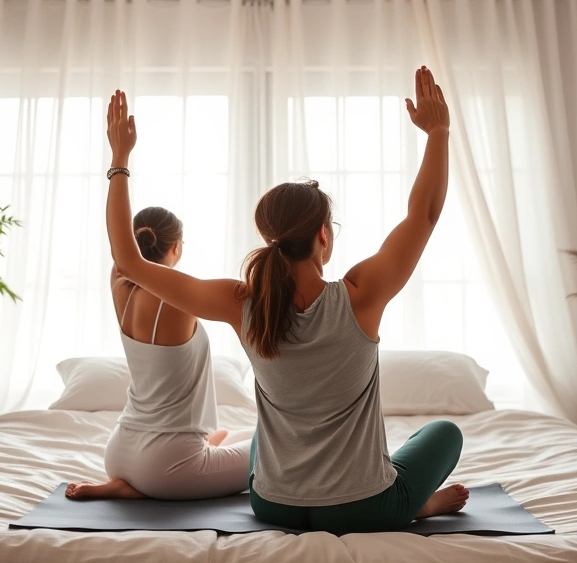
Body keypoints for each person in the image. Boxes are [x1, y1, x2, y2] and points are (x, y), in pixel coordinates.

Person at [102, 65, 466, 533]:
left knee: (263, 436)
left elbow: (129, 263)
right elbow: (426, 213)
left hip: (272, 504)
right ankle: (414, 504)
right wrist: (438, 131)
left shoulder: (240, 303)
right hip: (366, 508)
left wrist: (119, 158)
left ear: (270, 237)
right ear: (323, 237)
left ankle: (398, 497)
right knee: (444, 434)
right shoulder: (361, 295)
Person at [65, 206, 251, 501]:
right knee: (273, 447)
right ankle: (147, 485)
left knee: (231, 434)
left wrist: (119, 166)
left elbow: (121, 252)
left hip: (119, 452)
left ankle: (127, 485)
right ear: (176, 247)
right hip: (168, 468)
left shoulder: (119, 285)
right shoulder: (180, 297)